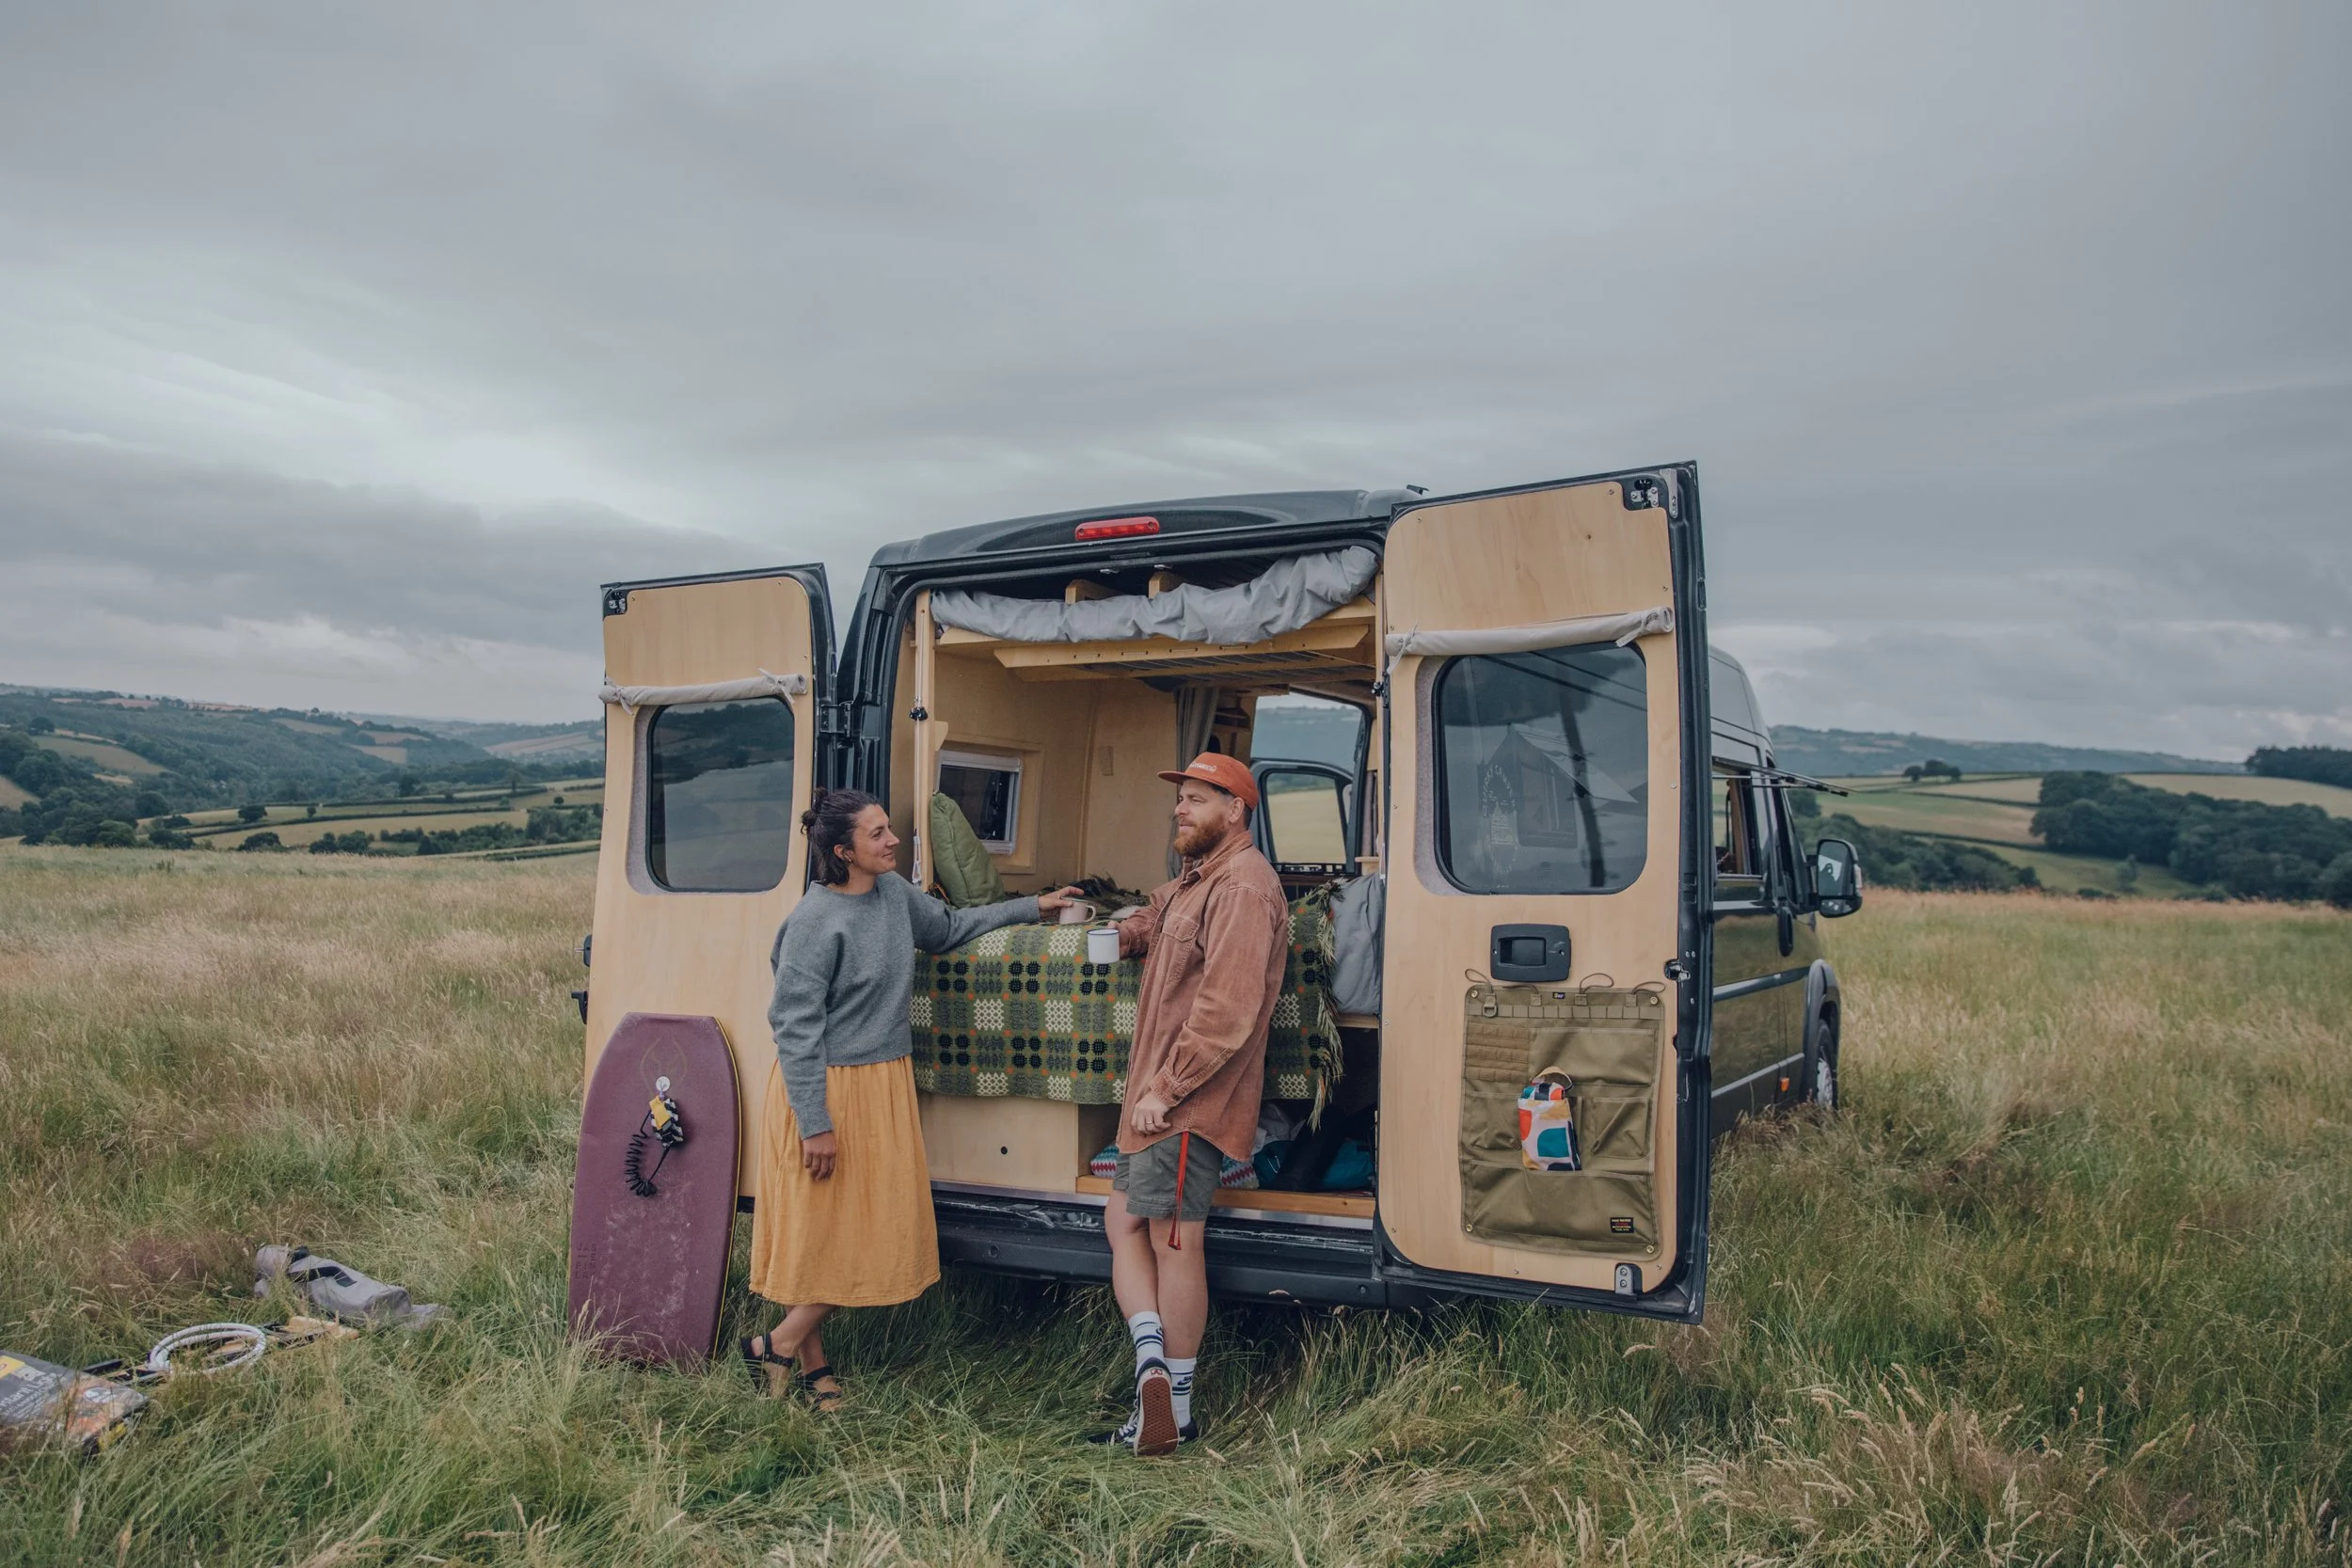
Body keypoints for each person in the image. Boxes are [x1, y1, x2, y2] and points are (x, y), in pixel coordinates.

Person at [741, 787, 1081, 1410]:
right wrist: (814, 1122)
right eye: (877, 834)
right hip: (827, 1089)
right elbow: (794, 1027)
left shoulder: (894, 894)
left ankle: (788, 1352)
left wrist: (1033, 905)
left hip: (882, 1084)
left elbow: (950, 929)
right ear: (844, 851)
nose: (892, 839)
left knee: (859, 1228)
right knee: (835, 1234)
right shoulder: (813, 923)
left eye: (887, 829)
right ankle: (794, 1352)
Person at [1089, 752, 1289, 1455]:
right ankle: (1158, 1376)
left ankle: (1170, 1397)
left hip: (1186, 1099)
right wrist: (1128, 933)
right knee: (1126, 1219)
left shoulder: (1243, 887)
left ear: (1235, 810)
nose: (1181, 808)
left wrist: (1164, 1090)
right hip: (1162, 1097)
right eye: (1180, 798)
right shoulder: (1201, 879)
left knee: (1176, 1241)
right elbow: (1167, 912)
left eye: (1197, 798)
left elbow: (1227, 1010)